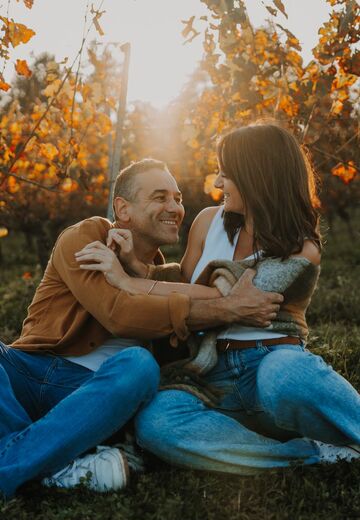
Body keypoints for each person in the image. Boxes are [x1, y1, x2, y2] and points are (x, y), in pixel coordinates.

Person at [78, 123, 360, 475]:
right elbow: (184, 282)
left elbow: (227, 296)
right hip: (211, 376)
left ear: (256, 176)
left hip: (271, 369)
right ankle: (311, 457)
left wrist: (128, 281)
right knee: (156, 421)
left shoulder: (302, 248)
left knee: (285, 374)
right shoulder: (208, 221)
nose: (216, 183)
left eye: (225, 174)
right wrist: (138, 267)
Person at [0, 158, 284, 500]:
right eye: (160, 197)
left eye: (177, 198)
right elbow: (117, 314)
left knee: (138, 365)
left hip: (98, 396)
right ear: (123, 208)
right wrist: (224, 308)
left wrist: (139, 276)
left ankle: (20, 463)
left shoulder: (168, 276)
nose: (175, 208)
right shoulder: (88, 236)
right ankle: (45, 465)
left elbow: (178, 344)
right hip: (31, 372)